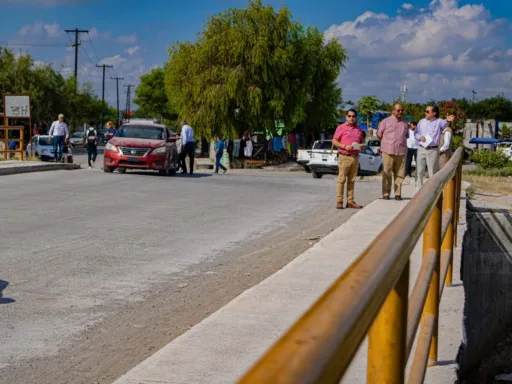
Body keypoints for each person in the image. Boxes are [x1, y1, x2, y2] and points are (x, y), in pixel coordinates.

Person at [332, 109, 365, 210]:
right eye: (349, 116)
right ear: (346, 117)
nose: (351, 118)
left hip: (355, 157)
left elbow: (362, 142)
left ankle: (350, 201)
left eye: (354, 116)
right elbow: (334, 141)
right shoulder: (341, 127)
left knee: (352, 180)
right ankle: (339, 201)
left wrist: (361, 146)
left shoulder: (359, 129)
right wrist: (344, 146)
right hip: (344, 156)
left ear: (356, 117)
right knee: (341, 180)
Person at [414, 106, 455, 187]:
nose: (425, 113)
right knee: (419, 171)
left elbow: (445, 123)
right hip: (421, 148)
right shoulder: (421, 122)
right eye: (425, 111)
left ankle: (432, 192)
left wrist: (447, 120)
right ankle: (419, 191)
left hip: (432, 150)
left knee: (432, 172)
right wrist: (419, 137)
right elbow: (416, 133)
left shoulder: (439, 122)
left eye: (427, 111)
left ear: (434, 113)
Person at [377, 103, 409, 200]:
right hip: (388, 151)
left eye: (402, 110)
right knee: (387, 172)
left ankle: (397, 193)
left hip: (401, 151)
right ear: (393, 110)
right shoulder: (385, 122)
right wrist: (387, 143)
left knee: (400, 173)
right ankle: (386, 193)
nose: (400, 112)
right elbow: (379, 135)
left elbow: (406, 136)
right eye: (398, 110)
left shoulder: (405, 123)